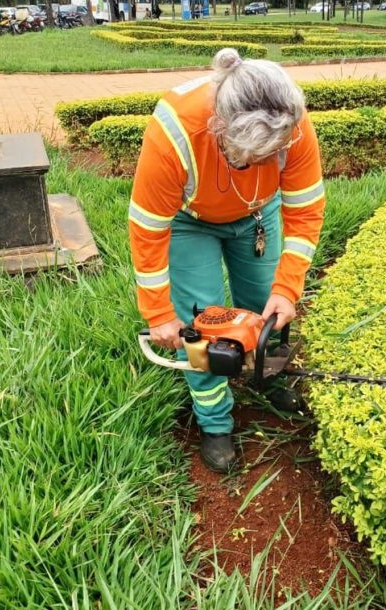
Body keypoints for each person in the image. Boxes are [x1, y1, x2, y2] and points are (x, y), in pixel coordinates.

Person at [129, 48, 325, 473]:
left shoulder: (291, 120)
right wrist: (159, 312)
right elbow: (147, 228)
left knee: (264, 306)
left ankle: (265, 378)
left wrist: (288, 286)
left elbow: (306, 209)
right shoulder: (174, 131)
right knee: (202, 324)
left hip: (258, 215)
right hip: (190, 222)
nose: (262, 164)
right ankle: (215, 421)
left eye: (271, 155)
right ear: (220, 126)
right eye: (250, 157)